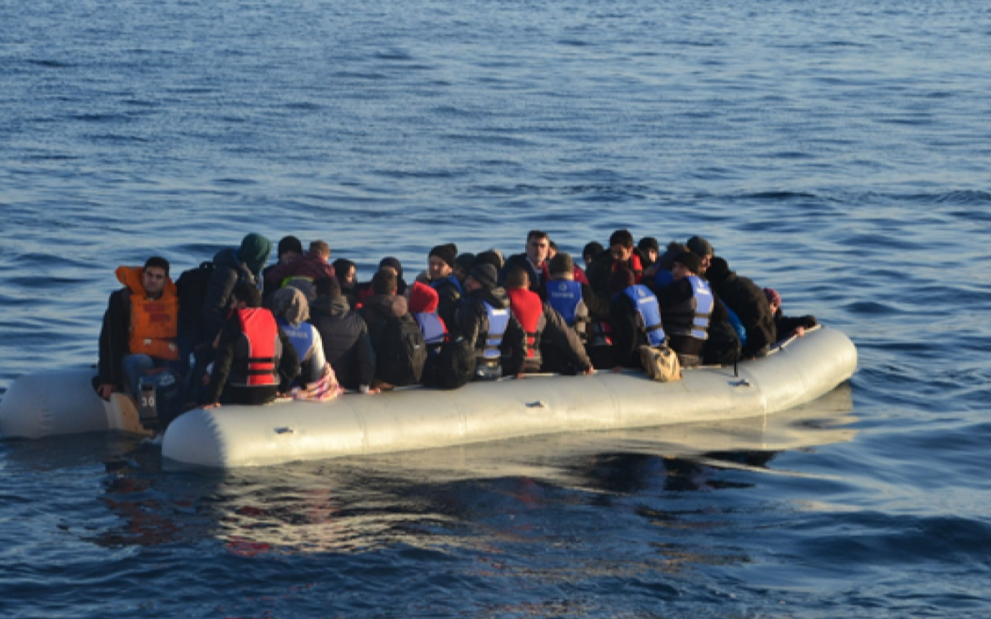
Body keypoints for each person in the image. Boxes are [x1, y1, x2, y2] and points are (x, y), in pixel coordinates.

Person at [96, 256, 181, 400]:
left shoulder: (173, 302)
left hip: (163, 357)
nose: (153, 280)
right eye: (149, 275)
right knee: (141, 361)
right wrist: (108, 379)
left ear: (165, 281)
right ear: (143, 275)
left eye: (158, 277)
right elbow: (109, 340)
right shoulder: (121, 299)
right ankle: (144, 408)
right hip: (131, 358)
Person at [202, 282, 299, 407]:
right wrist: (282, 387)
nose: (231, 306)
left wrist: (212, 400)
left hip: (240, 392)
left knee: (203, 380)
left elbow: (223, 365)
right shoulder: (272, 321)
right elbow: (294, 361)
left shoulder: (233, 323)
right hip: (270, 391)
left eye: (233, 302)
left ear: (242, 304)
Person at [504, 267, 593, 375]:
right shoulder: (541, 305)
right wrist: (585, 363)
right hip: (533, 361)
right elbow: (565, 334)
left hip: (507, 361)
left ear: (506, 284)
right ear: (528, 284)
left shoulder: (501, 303)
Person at [452, 263, 526, 380]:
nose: (467, 283)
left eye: (473, 280)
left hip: (476, 368)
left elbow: (469, 342)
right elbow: (520, 335)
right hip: (496, 367)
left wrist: (460, 371)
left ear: (484, 283)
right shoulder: (504, 306)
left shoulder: (473, 305)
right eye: (469, 278)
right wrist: (518, 368)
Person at [359, 268, 425, 389]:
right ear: (395, 290)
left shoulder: (364, 314)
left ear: (372, 288)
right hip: (409, 374)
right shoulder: (406, 313)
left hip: (381, 376)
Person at [309, 277, 377, 393]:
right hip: (348, 385)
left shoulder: (309, 318)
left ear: (317, 294)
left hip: (315, 386)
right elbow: (368, 358)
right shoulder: (357, 320)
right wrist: (364, 385)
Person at [705, 257, 776, 359]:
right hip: (764, 335)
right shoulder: (737, 283)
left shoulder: (736, 288)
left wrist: (743, 338)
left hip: (759, 340)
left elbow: (757, 313)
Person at [652, 252, 714, 368]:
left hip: (676, 348)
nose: (675, 271)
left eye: (681, 267)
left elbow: (654, 300)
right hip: (698, 351)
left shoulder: (683, 286)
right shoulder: (708, 289)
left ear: (692, 271)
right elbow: (723, 315)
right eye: (674, 266)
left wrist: (648, 279)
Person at [607, 267, 666, 369]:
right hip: (662, 348)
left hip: (643, 354)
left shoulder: (623, 301)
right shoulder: (647, 291)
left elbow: (630, 334)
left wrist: (622, 363)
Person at [270, 286, 328, 388]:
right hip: (296, 389)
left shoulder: (269, 325)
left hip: (270, 384)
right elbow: (318, 371)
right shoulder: (312, 331)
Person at [587, 229, 646, 303]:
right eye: (613, 252)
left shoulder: (645, 263)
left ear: (630, 249)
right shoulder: (599, 265)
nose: (615, 256)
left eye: (620, 253)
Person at [409, 280, 448, 384]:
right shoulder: (439, 320)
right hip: (435, 367)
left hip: (419, 370)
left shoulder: (413, 321)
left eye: (408, 294)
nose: (404, 297)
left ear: (417, 299)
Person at [263, 239, 336, 294]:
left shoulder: (298, 260)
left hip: (293, 289)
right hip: (313, 292)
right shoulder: (327, 267)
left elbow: (278, 273)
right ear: (325, 255)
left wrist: (269, 278)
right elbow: (334, 285)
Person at [500, 230, 551, 297]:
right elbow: (501, 284)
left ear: (547, 250)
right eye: (534, 245)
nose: (538, 249)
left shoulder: (551, 266)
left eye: (542, 246)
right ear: (527, 247)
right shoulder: (515, 263)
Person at [427, 243, 462, 327]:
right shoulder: (435, 284)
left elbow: (445, 321)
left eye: (440, 265)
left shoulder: (449, 292)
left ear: (450, 268)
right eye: (432, 263)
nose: (434, 268)